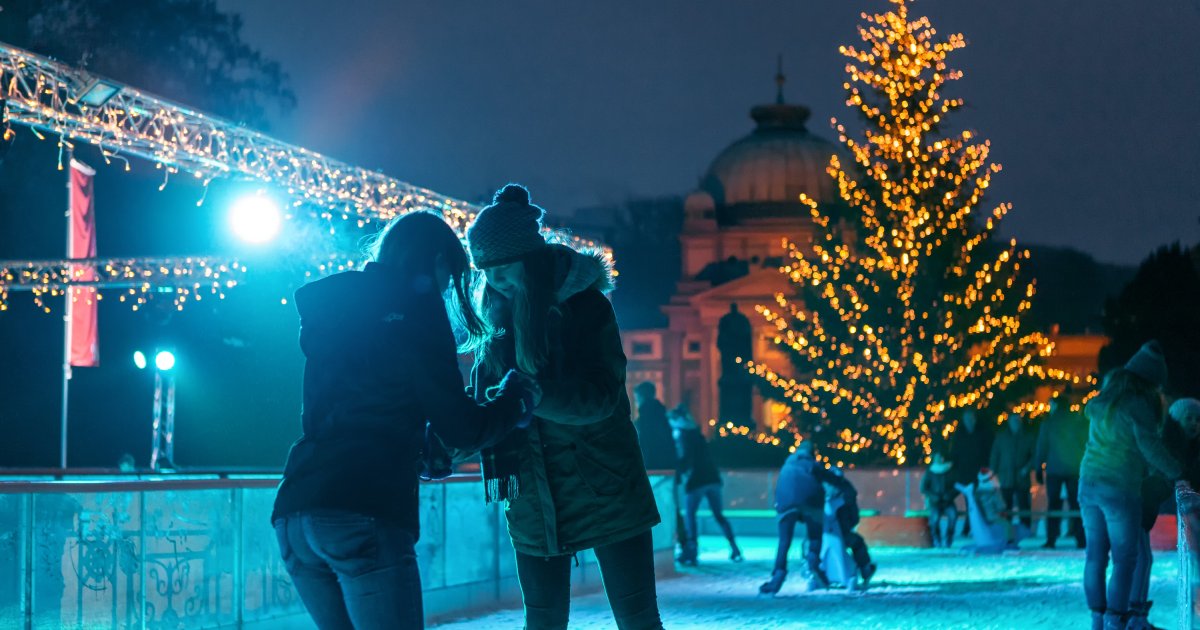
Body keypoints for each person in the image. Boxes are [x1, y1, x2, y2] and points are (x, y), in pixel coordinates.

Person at [272, 211, 538, 630]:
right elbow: (463, 428)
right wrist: (513, 400)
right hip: (363, 506)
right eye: (450, 277)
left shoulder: (338, 313)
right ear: (434, 262)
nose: (449, 288)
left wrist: (415, 442)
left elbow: (344, 411)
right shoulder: (415, 315)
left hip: (296, 511)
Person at [466, 184, 663, 630]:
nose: (496, 280)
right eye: (487, 270)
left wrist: (536, 395)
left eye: (504, 266)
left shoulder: (585, 308)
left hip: (606, 485)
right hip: (533, 498)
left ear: (530, 259)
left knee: (637, 619)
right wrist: (445, 437)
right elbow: (482, 413)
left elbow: (600, 397)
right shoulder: (494, 331)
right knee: (543, 623)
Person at [1079, 341, 1180, 630]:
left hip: (1089, 483)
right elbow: (1149, 446)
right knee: (1125, 558)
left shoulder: (1106, 399)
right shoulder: (1138, 403)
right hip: (1119, 487)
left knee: (1095, 555)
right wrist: (1177, 471)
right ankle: (1116, 619)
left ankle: (1098, 619)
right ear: (1151, 380)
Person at [759, 441, 840, 595]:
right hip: (810, 501)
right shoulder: (812, 464)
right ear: (812, 453)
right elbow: (831, 479)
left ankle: (778, 576)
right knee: (815, 536)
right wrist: (842, 484)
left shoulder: (787, 465)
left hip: (785, 502)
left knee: (784, 541)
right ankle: (814, 563)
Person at [669, 403, 741, 565]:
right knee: (718, 514)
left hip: (696, 481)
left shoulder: (681, 435)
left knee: (690, 516)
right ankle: (734, 546)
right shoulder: (698, 434)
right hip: (712, 478)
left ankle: (692, 551)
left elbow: (685, 459)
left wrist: (677, 469)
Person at [1035, 397, 1089, 548]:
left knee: (1053, 504)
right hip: (1073, 469)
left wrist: (1039, 468)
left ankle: (1051, 538)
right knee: (1076, 504)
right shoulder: (1077, 421)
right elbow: (1084, 444)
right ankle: (1080, 538)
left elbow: (1042, 446)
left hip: (1054, 469)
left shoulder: (1049, 422)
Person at [826, 466, 876, 585]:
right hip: (841, 534)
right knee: (858, 542)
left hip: (821, 534)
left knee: (809, 544)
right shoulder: (847, 492)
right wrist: (848, 525)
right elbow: (854, 518)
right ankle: (865, 570)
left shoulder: (820, 489)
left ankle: (809, 567)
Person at [990, 412, 1035, 530]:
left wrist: (1027, 468)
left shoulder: (1028, 436)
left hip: (1022, 478)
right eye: (1013, 420)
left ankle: (1026, 529)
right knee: (1006, 506)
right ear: (1009, 421)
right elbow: (995, 455)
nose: (1016, 422)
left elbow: (1034, 455)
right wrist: (992, 472)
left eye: (1018, 420)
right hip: (1006, 478)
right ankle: (1006, 529)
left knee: (1024, 505)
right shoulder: (1001, 437)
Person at [951, 409, 993, 536]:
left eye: (971, 418)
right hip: (964, 475)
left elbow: (988, 453)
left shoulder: (983, 434)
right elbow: (955, 455)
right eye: (966, 419)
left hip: (979, 475)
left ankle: (970, 527)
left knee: (974, 501)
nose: (969, 421)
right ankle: (969, 527)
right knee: (970, 501)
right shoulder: (959, 436)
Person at [633, 381, 676, 471]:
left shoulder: (645, 415)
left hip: (651, 463)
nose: (636, 402)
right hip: (666, 461)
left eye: (636, 398)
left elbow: (645, 441)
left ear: (641, 396)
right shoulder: (661, 413)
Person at [921, 453, 959, 548]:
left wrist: (949, 495)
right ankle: (937, 540)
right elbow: (924, 488)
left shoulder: (950, 471)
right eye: (938, 457)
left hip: (948, 502)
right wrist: (933, 496)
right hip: (935, 503)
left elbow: (956, 487)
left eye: (941, 457)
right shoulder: (930, 472)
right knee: (935, 520)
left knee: (953, 516)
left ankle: (948, 539)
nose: (940, 459)